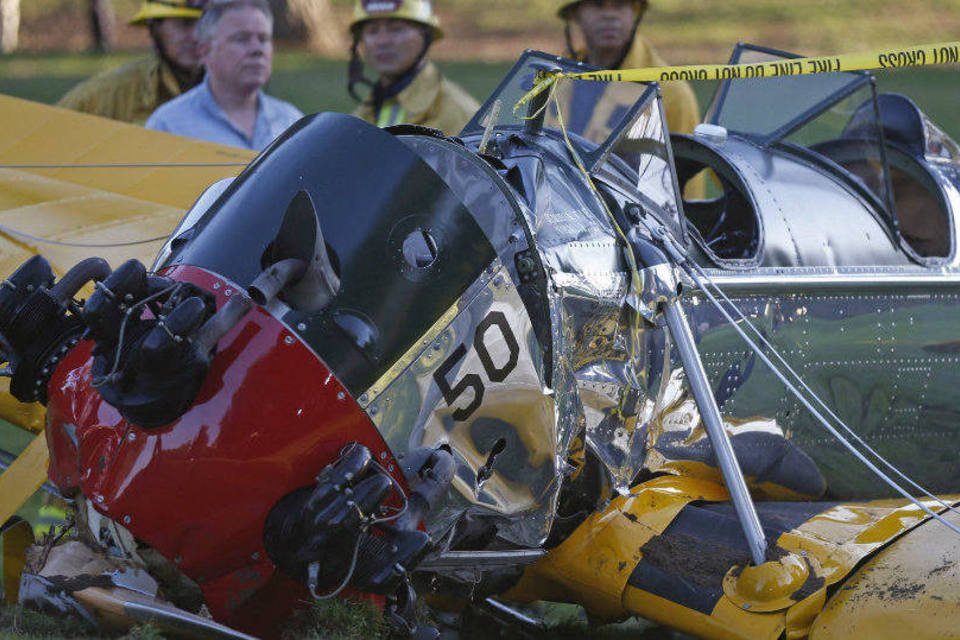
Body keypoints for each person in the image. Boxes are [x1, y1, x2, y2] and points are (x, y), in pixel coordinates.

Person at [146, 0, 303, 150]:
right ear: (205, 51)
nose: (257, 49)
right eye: (242, 39)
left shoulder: (292, 122)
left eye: (263, 39)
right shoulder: (167, 126)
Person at [557, 0, 699, 137]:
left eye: (620, 4)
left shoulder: (671, 95)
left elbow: (687, 161)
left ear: (634, 12)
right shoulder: (556, 82)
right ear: (575, 14)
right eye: (598, 4)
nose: (609, 15)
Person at [57, 0, 207, 124]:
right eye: (185, 24)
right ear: (153, 28)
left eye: (207, 24)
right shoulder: (107, 96)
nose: (196, 36)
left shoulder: (229, 97)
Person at [349, 0, 479, 135]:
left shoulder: (460, 114)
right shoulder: (367, 110)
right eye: (372, 31)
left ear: (426, 36)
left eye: (396, 29)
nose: (382, 41)